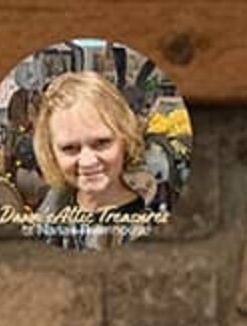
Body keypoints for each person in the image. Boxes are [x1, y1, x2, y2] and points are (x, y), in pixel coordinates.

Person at [30, 71, 159, 248]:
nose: (87, 161)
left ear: (125, 138)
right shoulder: (53, 207)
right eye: (70, 148)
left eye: (102, 143)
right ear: (51, 152)